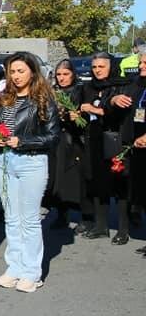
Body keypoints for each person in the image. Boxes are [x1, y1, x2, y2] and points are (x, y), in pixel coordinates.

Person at [0, 53, 60, 292]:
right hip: (4, 161)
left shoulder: (43, 99)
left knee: (29, 219)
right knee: (11, 217)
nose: (16, 76)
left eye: (21, 71)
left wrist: (23, 142)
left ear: (32, 72)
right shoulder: (4, 97)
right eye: (12, 71)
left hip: (31, 162)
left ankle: (32, 272)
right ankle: (14, 268)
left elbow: (53, 136)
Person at [79, 52, 126, 239]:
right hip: (94, 138)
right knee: (98, 181)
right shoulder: (89, 87)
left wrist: (96, 110)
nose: (97, 70)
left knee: (119, 184)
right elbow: (84, 111)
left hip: (115, 138)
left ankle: (123, 229)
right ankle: (101, 226)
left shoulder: (121, 86)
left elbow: (122, 114)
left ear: (111, 67)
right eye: (94, 67)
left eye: (101, 67)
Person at [106, 52, 146, 254]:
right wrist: (114, 100)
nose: (141, 66)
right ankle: (123, 229)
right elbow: (110, 105)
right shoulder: (134, 83)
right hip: (130, 144)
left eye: (145, 63)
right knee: (124, 186)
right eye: (140, 62)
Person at [47, 59, 87, 229]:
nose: (62, 78)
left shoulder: (80, 90)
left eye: (66, 74)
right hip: (58, 140)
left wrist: (76, 117)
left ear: (73, 74)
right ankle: (61, 213)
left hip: (75, 139)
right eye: (59, 74)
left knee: (76, 179)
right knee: (58, 178)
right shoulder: (52, 92)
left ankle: (85, 216)